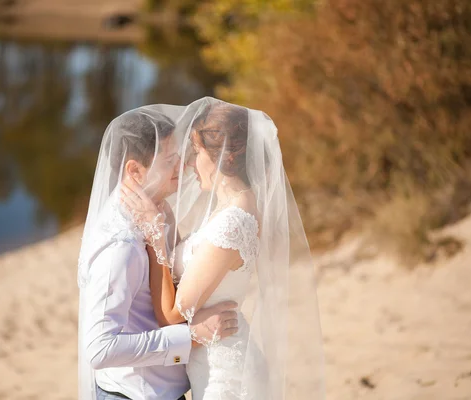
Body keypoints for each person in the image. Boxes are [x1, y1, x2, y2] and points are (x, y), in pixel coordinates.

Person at [121, 98, 325, 399]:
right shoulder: (234, 206)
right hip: (216, 359)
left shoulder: (232, 223)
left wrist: (154, 237)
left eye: (196, 151)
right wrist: (165, 217)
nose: (189, 163)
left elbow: (171, 314)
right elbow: (195, 265)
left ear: (223, 158)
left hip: (225, 376)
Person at [77, 106, 240, 400]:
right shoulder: (121, 246)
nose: (182, 166)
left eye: (179, 156)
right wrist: (191, 336)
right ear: (135, 171)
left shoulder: (158, 211)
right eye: (169, 161)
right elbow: (99, 349)